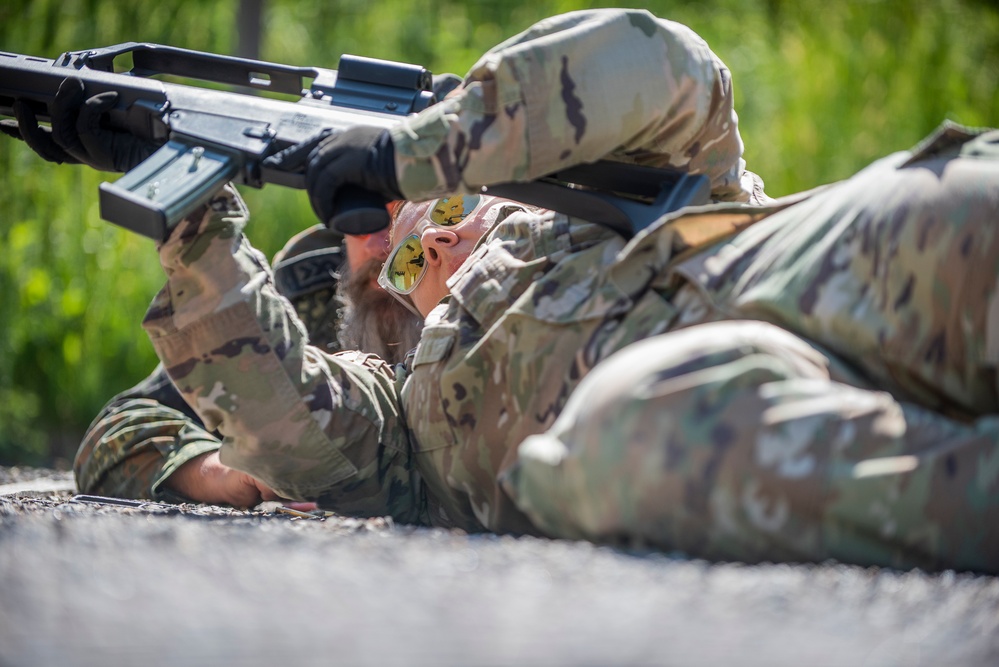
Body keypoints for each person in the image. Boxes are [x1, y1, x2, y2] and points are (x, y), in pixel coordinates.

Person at [6, 9, 998, 573]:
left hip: (828, 262)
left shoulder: (624, 180)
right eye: (383, 260)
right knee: (628, 441)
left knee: (958, 220)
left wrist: (419, 150)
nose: (411, 234)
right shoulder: (404, 426)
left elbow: (666, 66)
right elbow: (273, 415)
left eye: (419, 207)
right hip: (677, 421)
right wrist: (195, 231)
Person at [70, 221, 422, 505]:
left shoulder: (475, 311)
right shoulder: (315, 295)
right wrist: (219, 472)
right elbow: (115, 432)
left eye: (409, 216)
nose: (382, 247)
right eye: (362, 218)